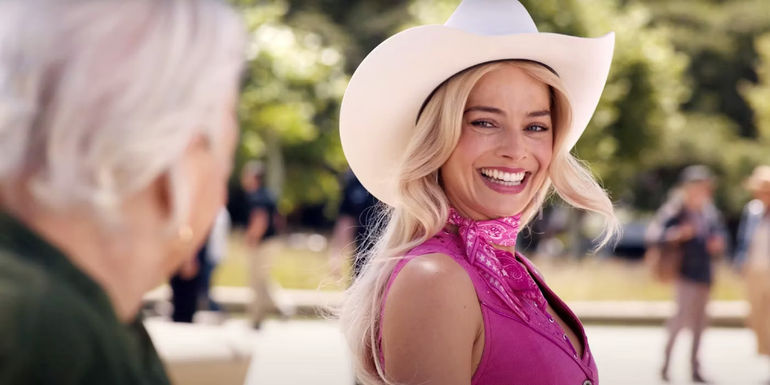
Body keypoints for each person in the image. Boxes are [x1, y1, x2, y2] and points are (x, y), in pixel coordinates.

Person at [338, 0, 619, 383]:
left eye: (536, 126)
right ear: (439, 137)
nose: (515, 149)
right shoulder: (434, 279)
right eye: (485, 122)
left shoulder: (509, 268)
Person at [0, 0, 244, 383]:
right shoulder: (52, 339)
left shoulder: (82, 313)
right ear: (177, 162)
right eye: (224, 157)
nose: (222, 196)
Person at [647, 165, 727, 383]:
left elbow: (720, 238)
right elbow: (656, 236)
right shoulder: (676, 210)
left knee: (700, 323)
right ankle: (665, 365)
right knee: (680, 320)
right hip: (684, 273)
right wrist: (679, 234)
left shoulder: (709, 212)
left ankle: (695, 368)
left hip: (704, 273)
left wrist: (717, 244)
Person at [237, 160, 288, 327]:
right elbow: (279, 219)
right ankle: (282, 307)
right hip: (272, 242)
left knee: (256, 281)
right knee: (263, 278)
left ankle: (257, 318)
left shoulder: (256, 196)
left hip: (262, 243)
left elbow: (260, 220)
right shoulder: (268, 194)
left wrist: (250, 240)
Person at [735, 165, 770, 369]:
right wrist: (741, 263)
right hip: (754, 270)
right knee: (756, 316)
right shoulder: (753, 211)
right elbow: (744, 240)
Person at [328, 170, 380, 280]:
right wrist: (337, 256)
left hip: (395, 258)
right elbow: (346, 219)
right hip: (363, 259)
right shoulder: (355, 179)